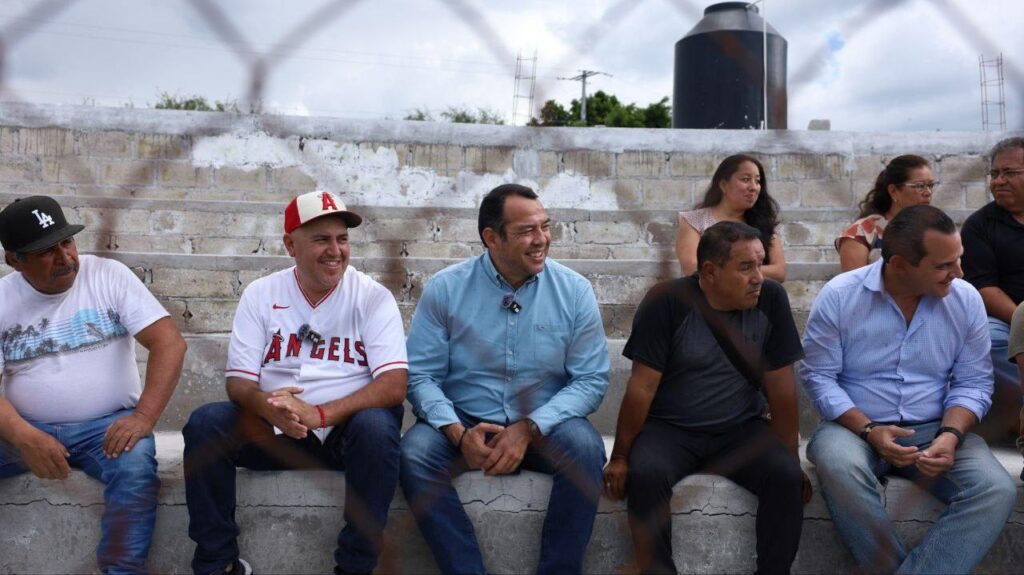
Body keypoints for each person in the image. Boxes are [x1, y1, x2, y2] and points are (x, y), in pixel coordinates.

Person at [183, 190, 408, 575]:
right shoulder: (261, 294)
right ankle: (217, 563)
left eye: (342, 239)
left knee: (377, 424)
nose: (335, 250)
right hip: (276, 430)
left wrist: (321, 413)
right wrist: (270, 405)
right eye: (321, 239)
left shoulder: (372, 297)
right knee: (206, 424)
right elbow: (238, 383)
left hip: (345, 435)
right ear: (290, 245)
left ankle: (355, 566)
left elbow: (393, 384)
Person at [400, 183, 609, 574]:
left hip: (545, 422)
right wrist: (458, 433)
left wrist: (529, 429)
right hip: (463, 419)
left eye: (545, 227)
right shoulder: (446, 289)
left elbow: (591, 380)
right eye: (526, 231)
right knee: (413, 454)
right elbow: (422, 375)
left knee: (585, 450)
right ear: (491, 238)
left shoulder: (574, 291)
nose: (541, 240)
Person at [801, 205, 1015, 574]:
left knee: (995, 488)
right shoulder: (840, 295)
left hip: (935, 427)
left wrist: (950, 435)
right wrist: (868, 430)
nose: (959, 273)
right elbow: (819, 376)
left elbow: (974, 381)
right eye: (943, 265)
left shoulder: (965, 300)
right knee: (839, 464)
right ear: (899, 264)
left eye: (959, 260)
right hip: (853, 427)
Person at [605, 221, 805, 574]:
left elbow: (782, 388)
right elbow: (642, 388)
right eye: (746, 267)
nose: (758, 276)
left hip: (740, 428)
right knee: (646, 474)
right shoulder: (667, 301)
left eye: (760, 264)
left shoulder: (771, 299)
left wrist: (791, 458)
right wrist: (620, 455)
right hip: (671, 429)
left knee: (785, 477)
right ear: (710, 272)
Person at [0, 195, 186, 574]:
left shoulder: (108, 276)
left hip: (106, 426)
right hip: (22, 427)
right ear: (14, 260)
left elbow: (169, 342)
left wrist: (143, 417)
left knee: (135, 468)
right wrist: (22, 435)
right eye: (45, 252)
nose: (65, 258)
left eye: (66, 242)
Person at [962, 137, 1024, 439]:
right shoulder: (979, 225)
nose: (998, 181)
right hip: (1004, 317)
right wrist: (1021, 322)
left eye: (1009, 173)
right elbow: (984, 289)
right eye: (994, 174)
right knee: (985, 340)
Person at [675, 154, 786, 282]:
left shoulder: (764, 223)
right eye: (745, 179)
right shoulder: (694, 221)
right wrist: (743, 271)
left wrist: (732, 271)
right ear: (723, 185)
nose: (754, 187)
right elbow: (692, 268)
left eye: (758, 181)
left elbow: (779, 272)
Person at [836, 154, 935, 272]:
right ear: (893, 191)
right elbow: (853, 286)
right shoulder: (862, 234)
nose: (928, 192)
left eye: (930, 185)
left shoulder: (933, 229)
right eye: (919, 186)